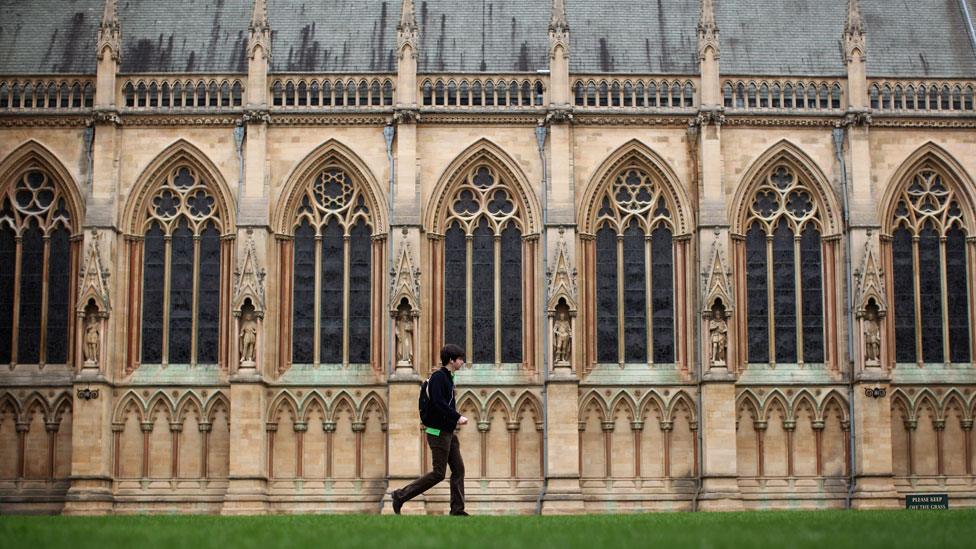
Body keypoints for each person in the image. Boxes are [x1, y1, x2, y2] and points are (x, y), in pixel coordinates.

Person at [392, 343, 469, 515]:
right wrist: (457, 417)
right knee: (438, 473)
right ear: (451, 360)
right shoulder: (438, 377)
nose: (463, 362)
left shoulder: (449, 378)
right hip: (437, 432)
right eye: (460, 359)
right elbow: (438, 402)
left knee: (458, 469)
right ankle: (400, 495)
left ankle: (457, 510)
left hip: (448, 432)